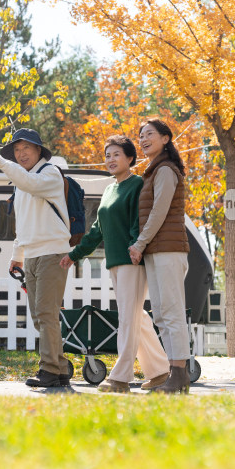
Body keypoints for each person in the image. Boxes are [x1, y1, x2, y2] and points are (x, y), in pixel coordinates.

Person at [59, 136, 170, 393]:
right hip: (115, 262)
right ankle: (161, 372)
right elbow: (98, 230)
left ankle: (120, 378)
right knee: (137, 317)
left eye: (116, 154)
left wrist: (135, 246)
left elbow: (139, 221)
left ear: (130, 158)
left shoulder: (137, 185)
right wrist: (75, 254)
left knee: (129, 318)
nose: (110, 159)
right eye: (107, 154)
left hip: (133, 260)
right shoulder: (109, 190)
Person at [0, 129, 72, 388]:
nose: (21, 154)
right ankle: (60, 368)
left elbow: (30, 184)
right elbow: (23, 223)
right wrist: (17, 255)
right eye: (17, 150)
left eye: (26, 149)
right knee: (39, 315)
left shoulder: (50, 173)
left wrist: (1, 161)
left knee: (46, 313)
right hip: (32, 255)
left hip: (52, 252)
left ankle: (50, 370)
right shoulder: (22, 184)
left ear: (39, 151)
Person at [128, 119, 192, 394]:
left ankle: (179, 375)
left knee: (172, 313)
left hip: (168, 250)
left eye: (149, 134)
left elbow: (159, 212)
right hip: (157, 250)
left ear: (166, 139)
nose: (143, 139)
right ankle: (173, 374)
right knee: (163, 315)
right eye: (140, 136)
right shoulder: (153, 171)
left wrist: (140, 243)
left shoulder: (165, 170)